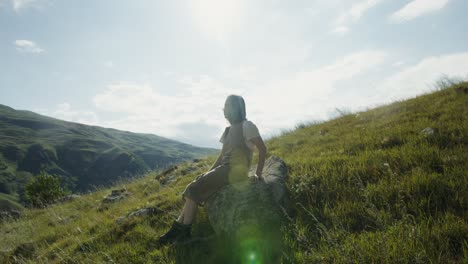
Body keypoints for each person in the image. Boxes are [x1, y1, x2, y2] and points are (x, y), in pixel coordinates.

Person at [158, 94, 267, 244]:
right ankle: (177, 229)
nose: (225, 111)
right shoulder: (228, 130)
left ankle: (184, 233)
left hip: (235, 171)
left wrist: (257, 174)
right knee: (194, 186)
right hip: (225, 169)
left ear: (235, 109)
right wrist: (208, 172)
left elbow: (262, 149)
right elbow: (222, 157)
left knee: (194, 189)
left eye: (227, 107)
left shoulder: (247, 126)